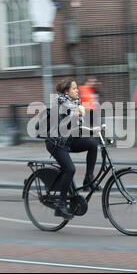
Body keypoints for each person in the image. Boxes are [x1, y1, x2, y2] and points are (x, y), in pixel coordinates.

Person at [45, 78, 99, 220]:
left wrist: (93, 130)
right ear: (66, 91)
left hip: (68, 141)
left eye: (77, 88)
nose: (77, 90)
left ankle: (88, 179)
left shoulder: (75, 104)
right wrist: (74, 116)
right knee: (70, 169)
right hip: (56, 143)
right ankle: (61, 205)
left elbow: (77, 128)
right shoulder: (59, 104)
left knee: (93, 145)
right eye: (74, 88)